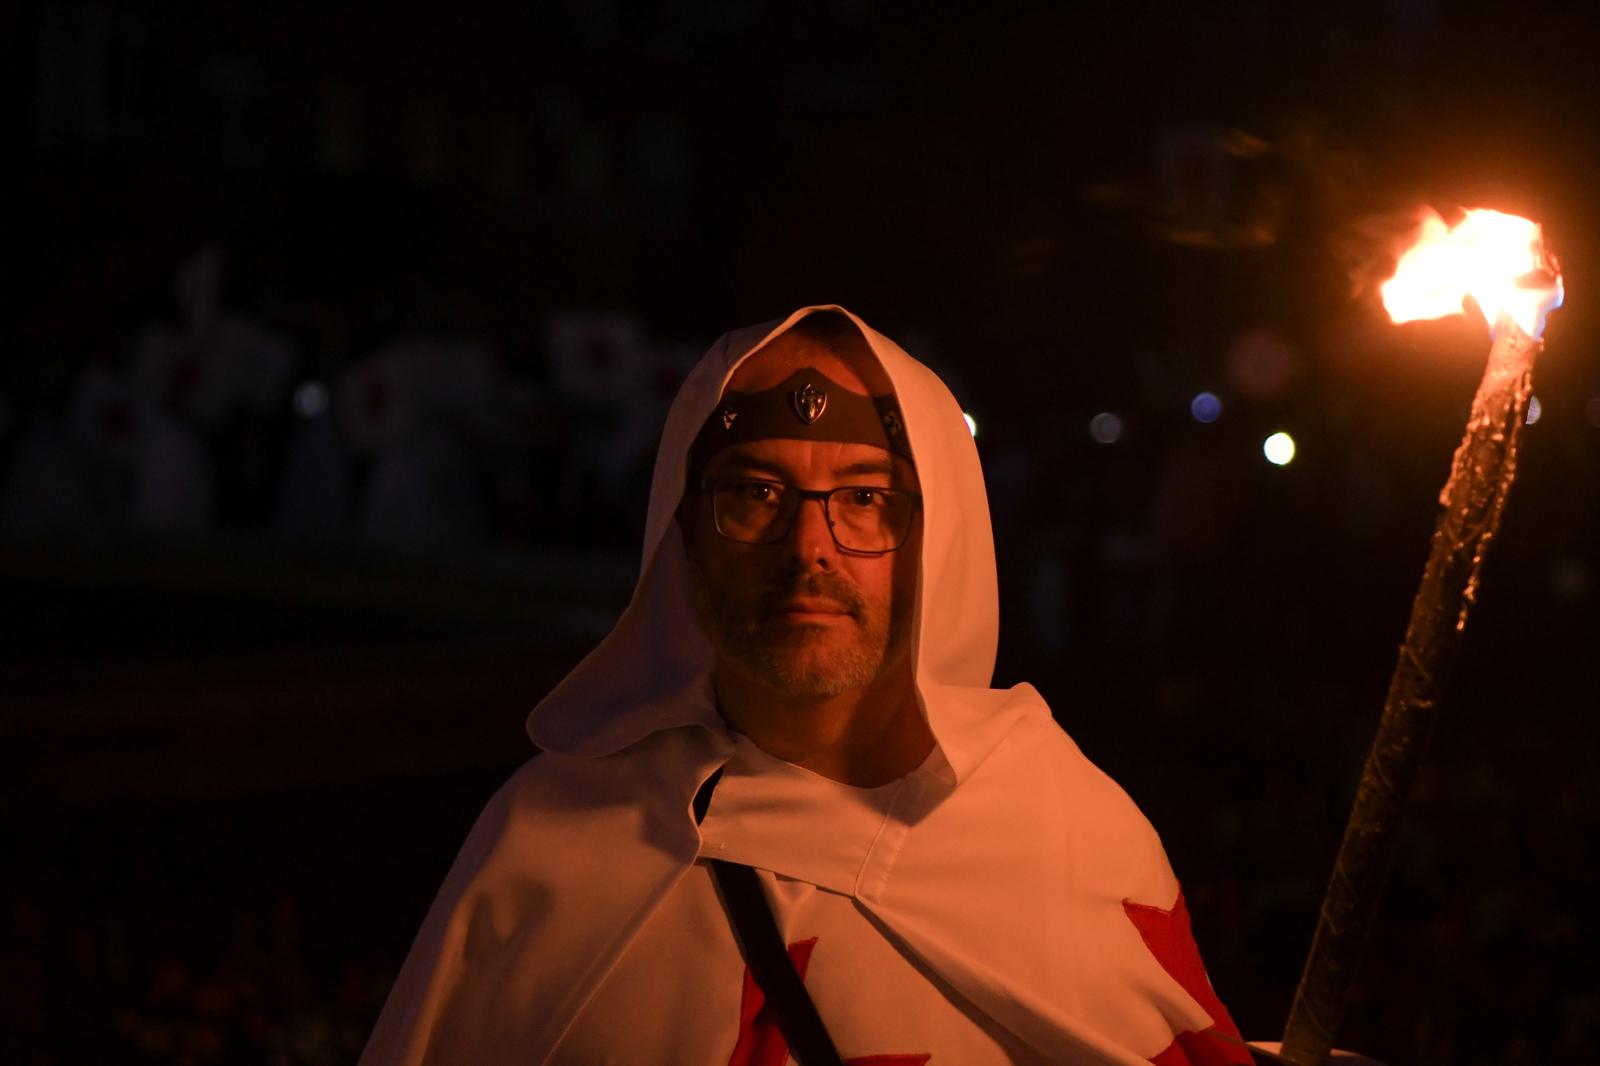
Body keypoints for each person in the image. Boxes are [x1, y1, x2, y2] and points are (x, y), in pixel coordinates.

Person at [359, 306, 1251, 1065]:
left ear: (934, 541)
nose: (810, 549)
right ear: (687, 536)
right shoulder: (548, 849)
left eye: (865, 498)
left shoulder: (1069, 839)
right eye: (756, 492)